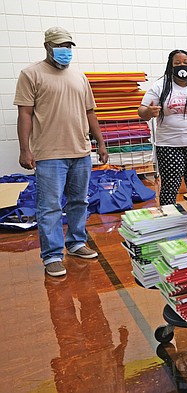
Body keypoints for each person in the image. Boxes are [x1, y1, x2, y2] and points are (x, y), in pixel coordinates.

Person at [14, 26, 108, 277]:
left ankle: (76, 242)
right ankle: (52, 255)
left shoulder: (79, 77)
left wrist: (100, 142)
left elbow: (90, 112)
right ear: (47, 46)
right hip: (49, 154)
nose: (65, 51)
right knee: (50, 206)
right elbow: (24, 114)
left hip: (80, 151)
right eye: (60, 46)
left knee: (80, 201)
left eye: (68, 47)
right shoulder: (31, 74)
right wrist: (25, 150)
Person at [139, 49, 187, 235]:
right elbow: (142, 110)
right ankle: (169, 224)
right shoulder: (160, 86)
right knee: (171, 186)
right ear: (170, 66)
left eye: (185, 62)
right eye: (177, 63)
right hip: (168, 146)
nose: (182, 66)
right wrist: (148, 113)